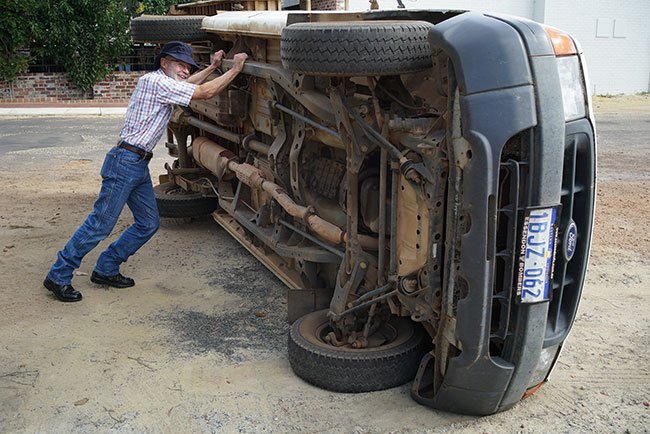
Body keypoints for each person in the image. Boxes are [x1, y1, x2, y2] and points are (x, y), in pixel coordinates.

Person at [44, 41, 248, 302]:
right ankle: (58, 275)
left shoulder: (164, 83)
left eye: (188, 66)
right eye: (180, 64)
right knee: (100, 224)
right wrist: (237, 68)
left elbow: (189, 86)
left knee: (148, 223)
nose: (185, 70)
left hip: (136, 164)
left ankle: (106, 268)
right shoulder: (155, 81)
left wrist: (214, 67)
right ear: (164, 62)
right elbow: (204, 93)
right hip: (125, 162)